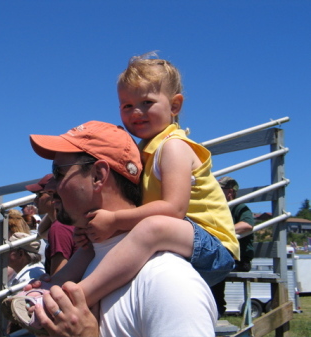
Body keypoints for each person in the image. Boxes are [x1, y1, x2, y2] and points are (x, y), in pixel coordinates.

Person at [39, 53, 239, 308]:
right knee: (95, 238)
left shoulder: (173, 147)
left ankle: (79, 298)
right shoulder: (143, 151)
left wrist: (113, 220)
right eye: (127, 106)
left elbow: (174, 209)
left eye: (147, 102)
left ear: (174, 106)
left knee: (150, 228)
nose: (136, 112)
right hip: (178, 236)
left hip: (211, 245)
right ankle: (49, 288)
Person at [26, 121, 217, 336]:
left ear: (98, 176)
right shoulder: (89, 260)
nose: (50, 186)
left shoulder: (167, 281)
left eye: (58, 173)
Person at [211, 176, 255, 317]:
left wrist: (223, 231)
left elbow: (247, 225)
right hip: (223, 255)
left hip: (240, 260)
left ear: (230, 192)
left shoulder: (239, 207)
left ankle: (217, 308)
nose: (214, 191)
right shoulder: (218, 208)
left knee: (215, 266)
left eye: (219, 189)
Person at [26, 174, 75, 275]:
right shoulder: (64, 224)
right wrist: (54, 210)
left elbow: (57, 277)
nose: (35, 200)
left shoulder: (59, 228)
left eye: (39, 195)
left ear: (53, 194)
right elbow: (42, 231)